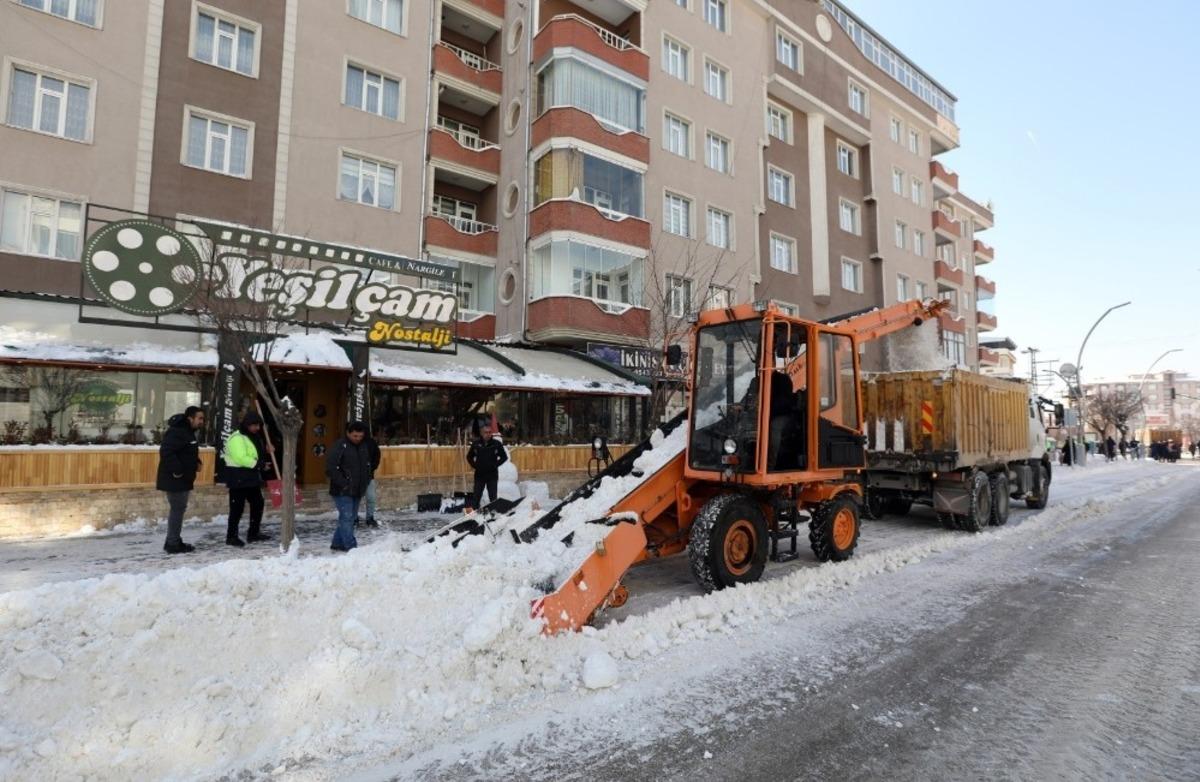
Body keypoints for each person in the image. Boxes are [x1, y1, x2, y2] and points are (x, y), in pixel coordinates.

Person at [156, 406, 205, 554]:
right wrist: (177, 470)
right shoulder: (178, 431)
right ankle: (173, 543)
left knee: (178, 510)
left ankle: (172, 540)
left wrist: (196, 462)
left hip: (183, 478)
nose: (202, 421)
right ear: (190, 418)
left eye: (203, 418)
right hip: (175, 479)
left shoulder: (188, 432)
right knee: (177, 510)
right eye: (200, 418)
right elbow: (166, 451)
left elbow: (185, 451)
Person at [222, 411, 272, 547]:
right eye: (255, 425)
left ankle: (253, 533)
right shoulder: (237, 438)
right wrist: (259, 464)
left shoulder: (254, 436)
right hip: (238, 478)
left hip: (251, 477)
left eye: (259, 425)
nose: (258, 428)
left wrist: (266, 453)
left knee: (258, 504)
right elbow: (241, 458)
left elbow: (255, 453)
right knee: (237, 508)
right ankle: (231, 537)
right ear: (247, 424)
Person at [326, 421, 372, 552]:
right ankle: (350, 546)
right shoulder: (340, 446)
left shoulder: (363, 446)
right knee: (347, 517)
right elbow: (331, 468)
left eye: (360, 436)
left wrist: (366, 481)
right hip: (342, 490)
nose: (357, 439)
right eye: (355, 436)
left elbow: (367, 466)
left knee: (350, 517)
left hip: (357, 489)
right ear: (348, 433)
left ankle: (337, 543)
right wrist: (344, 484)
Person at [466, 424, 508, 509]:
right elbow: (469, 457)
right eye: (486, 432)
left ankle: (494, 515)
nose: (488, 434)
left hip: (492, 475)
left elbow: (504, 457)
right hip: (479, 475)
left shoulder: (496, 444)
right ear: (482, 433)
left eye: (489, 432)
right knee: (476, 497)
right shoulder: (476, 444)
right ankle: (473, 515)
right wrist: (475, 466)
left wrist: (495, 465)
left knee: (493, 498)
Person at [362, 431, 381, 528]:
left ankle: (370, 517)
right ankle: (353, 518)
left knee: (371, 497)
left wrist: (372, 467)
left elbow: (377, 456)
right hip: (354, 476)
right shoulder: (350, 443)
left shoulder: (371, 443)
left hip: (369, 475)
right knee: (355, 499)